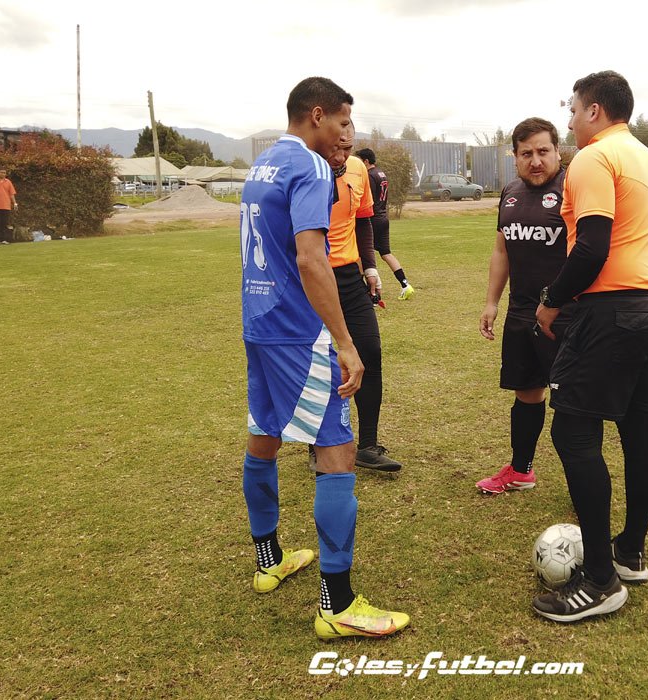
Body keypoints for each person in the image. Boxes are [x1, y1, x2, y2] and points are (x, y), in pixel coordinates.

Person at [239, 76, 408, 639]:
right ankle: (337, 605)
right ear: (317, 115)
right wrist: (343, 340)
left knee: (263, 435)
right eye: (342, 124)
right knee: (336, 452)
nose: (346, 136)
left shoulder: (262, 166)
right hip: (295, 331)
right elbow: (313, 260)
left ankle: (269, 563)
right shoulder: (309, 168)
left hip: (258, 325)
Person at [533, 71, 648, 622]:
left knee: (572, 429)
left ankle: (599, 580)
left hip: (616, 309)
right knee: (638, 427)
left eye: (572, 110)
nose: (568, 120)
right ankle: (629, 552)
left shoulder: (595, 158)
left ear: (594, 111)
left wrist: (551, 301)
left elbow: (591, 245)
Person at [476, 117, 569, 495]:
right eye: (526, 153)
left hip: (565, 315)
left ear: (557, 151)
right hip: (520, 312)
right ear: (514, 157)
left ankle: (583, 486)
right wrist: (492, 302)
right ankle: (521, 470)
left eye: (543, 151)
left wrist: (562, 302)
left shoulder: (573, 188)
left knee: (571, 405)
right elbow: (502, 249)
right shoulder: (510, 192)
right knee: (527, 391)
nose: (536, 160)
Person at [325, 124, 403, 471]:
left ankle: (368, 445)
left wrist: (370, 268)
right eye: (335, 148)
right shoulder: (305, 169)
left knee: (369, 349)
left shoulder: (358, 169)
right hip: (310, 276)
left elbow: (363, 222)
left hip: (348, 274)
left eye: (348, 147)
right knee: (323, 360)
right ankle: (320, 443)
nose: (341, 156)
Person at [355, 147, 415, 300]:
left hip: (372, 218)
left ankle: (371, 291)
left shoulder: (369, 175)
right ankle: (405, 284)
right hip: (383, 217)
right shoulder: (382, 174)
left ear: (366, 161)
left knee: (361, 253)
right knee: (386, 253)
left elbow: (366, 198)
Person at [0, 168, 18, 244]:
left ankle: (3, 240)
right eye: (2, 172)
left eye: (4, 173)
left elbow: (11, 194)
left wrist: (14, 203)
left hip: (6, 206)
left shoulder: (8, 182)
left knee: (4, 224)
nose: (3, 174)